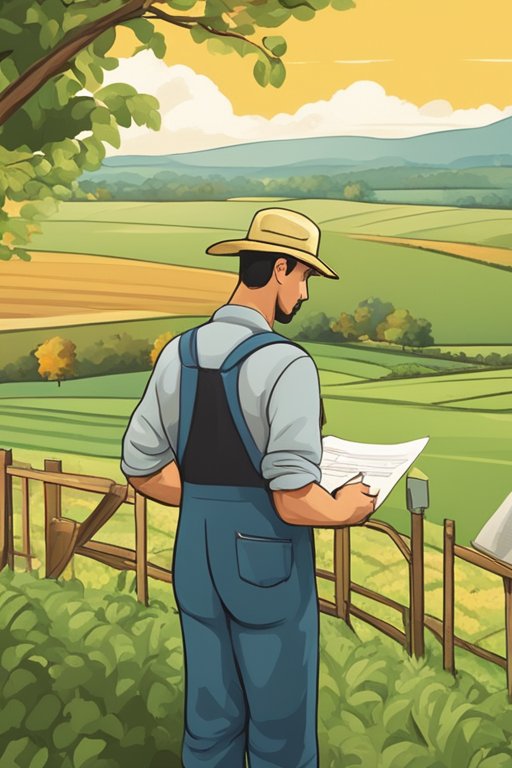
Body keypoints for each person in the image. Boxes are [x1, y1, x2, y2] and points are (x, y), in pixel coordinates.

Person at [120, 207, 377, 767]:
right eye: (305, 277)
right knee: (279, 734)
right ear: (281, 269)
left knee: (209, 723)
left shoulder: (177, 354)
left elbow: (139, 466)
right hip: (268, 567)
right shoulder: (287, 365)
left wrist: (211, 502)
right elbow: (292, 498)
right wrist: (344, 509)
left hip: (195, 555)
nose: (305, 294)